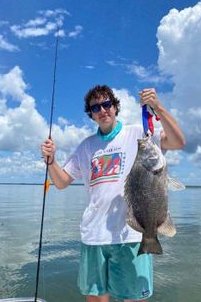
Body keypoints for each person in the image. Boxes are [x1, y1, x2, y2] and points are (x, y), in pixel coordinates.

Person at [40, 85, 185, 302]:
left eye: (107, 104)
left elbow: (177, 142)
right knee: (96, 298)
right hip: (94, 234)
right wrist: (51, 160)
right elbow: (61, 182)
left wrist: (158, 108)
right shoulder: (86, 146)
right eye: (95, 107)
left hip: (131, 234)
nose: (102, 110)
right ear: (91, 114)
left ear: (115, 107)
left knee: (134, 298)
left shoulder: (139, 134)